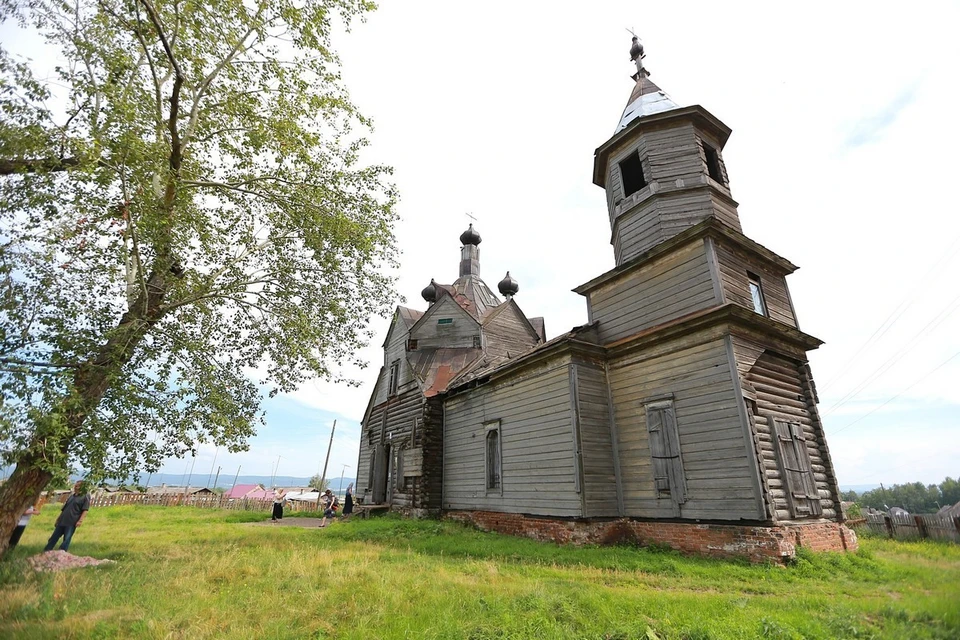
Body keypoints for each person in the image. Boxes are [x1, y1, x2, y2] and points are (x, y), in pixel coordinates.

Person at [44, 480, 90, 553]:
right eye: (75, 485)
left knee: (67, 539)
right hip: (62, 520)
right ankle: (46, 551)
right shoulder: (72, 496)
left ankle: (62, 553)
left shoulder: (85, 496)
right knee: (53, 537)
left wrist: (80, 521)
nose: (76, 487)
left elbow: (85, 510)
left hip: (72, 521)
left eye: (78, 486)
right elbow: (64, 509)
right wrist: (58, 519)